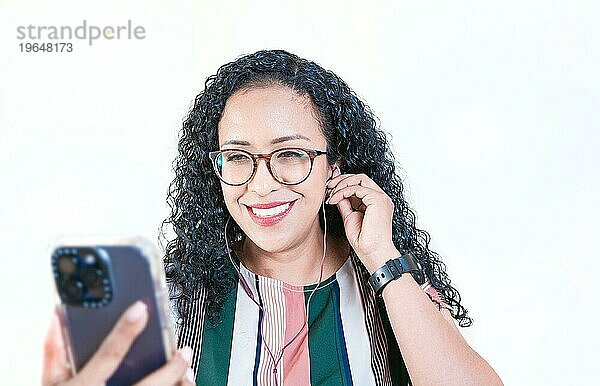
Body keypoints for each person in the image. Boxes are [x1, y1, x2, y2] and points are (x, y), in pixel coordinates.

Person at [42, 49, 503, 386]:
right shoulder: (170, 298)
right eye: (239, 157)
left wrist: (383, 256)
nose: (260, 185)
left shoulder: (393, 287)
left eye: (289, 155)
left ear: (334, 165)